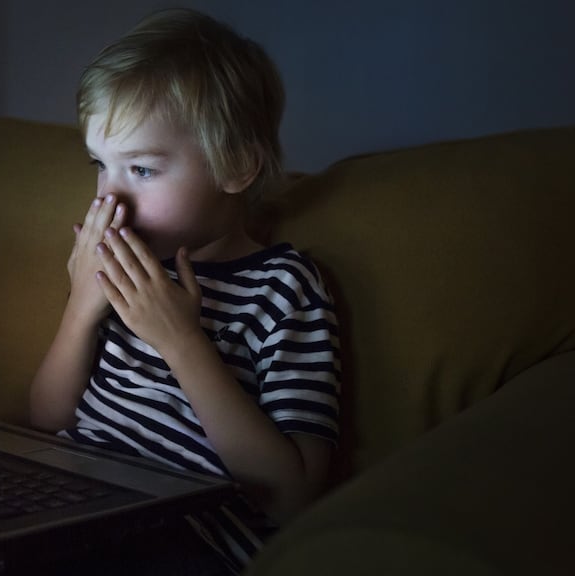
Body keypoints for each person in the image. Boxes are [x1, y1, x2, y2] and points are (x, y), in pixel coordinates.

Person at [29, 8, 341, 573]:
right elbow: (46, 420)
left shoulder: (285, 286)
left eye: (142, 170)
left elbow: (291, 496)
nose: (109, 200)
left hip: (185, 535)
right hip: (72, 505)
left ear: (236, 166)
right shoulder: (126, 266)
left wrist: (181, 341)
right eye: (100, 164)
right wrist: (80, 308)